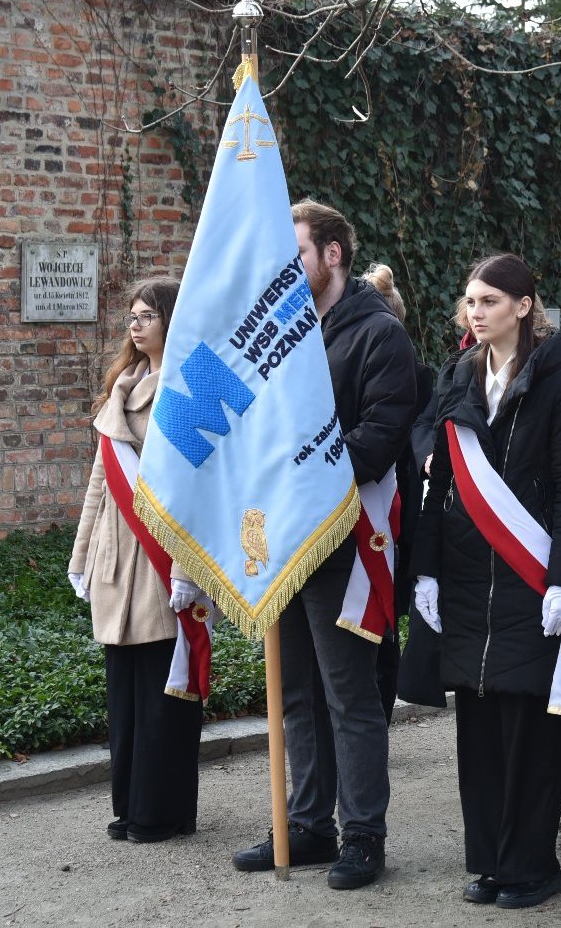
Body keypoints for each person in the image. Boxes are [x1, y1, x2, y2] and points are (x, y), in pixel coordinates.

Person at [230, 200, 420, 889]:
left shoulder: (380, 336)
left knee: (350, 696)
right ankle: (307, 825)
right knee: (297, 694)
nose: (286, 269)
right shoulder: (281, 333)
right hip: (283, 537)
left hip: (344, 542)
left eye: (297, 255)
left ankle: (362, 834)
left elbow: (381, 436)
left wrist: (302, 477)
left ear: (332, 255)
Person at [411, 253, 561, 910]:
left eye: (490, 300)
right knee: (479, 728)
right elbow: (436, 485)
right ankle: (489, 861)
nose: (476, 311)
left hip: (530, 575)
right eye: (470, 301)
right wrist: (426, 570)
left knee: (530, 728)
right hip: (466, 577)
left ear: (523, 307)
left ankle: (532, 866)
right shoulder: (459, 375)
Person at [67, 276, 205, 845]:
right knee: (124, 696)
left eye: (149, 313)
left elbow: (198, 484)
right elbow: (100, 483)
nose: (136, 322)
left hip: (163, 556)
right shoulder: (121, 384)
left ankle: (162, 812)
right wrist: (80, 558)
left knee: (162, 693)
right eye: (133, 314)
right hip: (115, 555)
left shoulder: (191, 385)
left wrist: (191, 569)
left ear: (173, 320)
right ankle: (129, 806)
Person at [360, 262, 435, 721]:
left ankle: (376, 713)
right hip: (382, 505)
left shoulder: (415, 373)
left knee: (381, 615)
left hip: (393, 506)